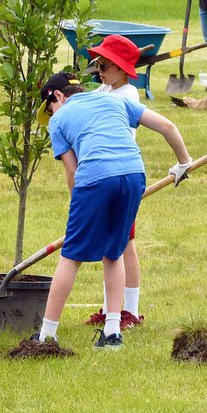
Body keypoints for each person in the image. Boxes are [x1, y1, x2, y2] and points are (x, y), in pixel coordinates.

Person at [32, 72, 193, 350]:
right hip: (133, 174)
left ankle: (47, 336)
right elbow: (167, 126)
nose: (51, 114)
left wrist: (78, 208)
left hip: (94, 178)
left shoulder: (58, 120)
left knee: (71, 255)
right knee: (114, 252)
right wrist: (183, 163)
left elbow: (72, 172)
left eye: (49, 108)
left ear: (57, 96)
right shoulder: (114, 101)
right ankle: (112, 332)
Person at [83, 35, 144, 331]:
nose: (99, 70)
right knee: (113, 246)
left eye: (105, 65)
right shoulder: (106, 88)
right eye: (97, 64)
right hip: (104, 174)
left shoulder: (127, 96)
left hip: (120, 176)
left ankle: (128, 310)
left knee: (123, 245)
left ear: (122, 69)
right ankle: (111, 308)